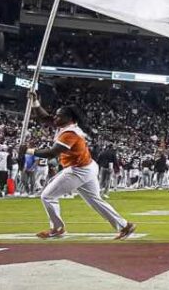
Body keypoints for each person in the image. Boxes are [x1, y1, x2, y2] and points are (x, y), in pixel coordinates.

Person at [28, 96, 135, 240]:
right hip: (87, 167)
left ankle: (57, 228)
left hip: (79, 170)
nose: (55, 118)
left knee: (47, 195)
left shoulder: (70, 134)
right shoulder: (66, 126)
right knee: (95, 201)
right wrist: (35, 102)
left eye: (59, 116)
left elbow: (51, 153)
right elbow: (45, 118)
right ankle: (125, 226)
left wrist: (29, 151)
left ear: (69, 118)